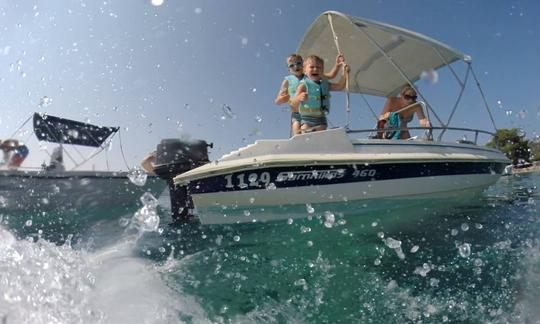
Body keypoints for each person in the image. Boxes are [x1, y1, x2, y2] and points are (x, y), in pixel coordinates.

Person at [274, 53, 345, 135]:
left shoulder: (310, 75)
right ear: (289, 70)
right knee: (297, 129)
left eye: (298, 63)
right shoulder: (287, 81)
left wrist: (337, 65)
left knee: (310, 131)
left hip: (310, 113)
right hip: (297, 112)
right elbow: (277, 101)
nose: (296, 66)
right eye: (291, 65)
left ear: (303, 66)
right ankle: (298, 143)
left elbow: (331, 75)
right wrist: (282, 99)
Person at [290, 55, 350, 132]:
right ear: (304, 70)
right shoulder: (303, 85)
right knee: (306, 129)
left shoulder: (325, 84)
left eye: (319, 67)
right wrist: (298, 98)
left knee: (322, 128)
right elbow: (293, 104)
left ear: (322, 71)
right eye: (312, 67)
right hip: (307, 119)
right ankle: (304, 131)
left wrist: (345, 73)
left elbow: (340, 86)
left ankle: (308, 132)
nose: (315, 69)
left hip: (321, 119)